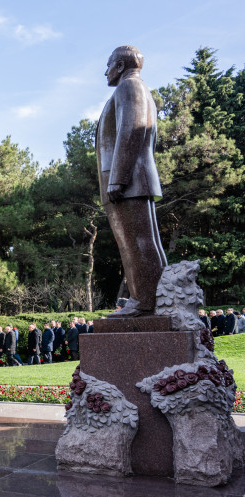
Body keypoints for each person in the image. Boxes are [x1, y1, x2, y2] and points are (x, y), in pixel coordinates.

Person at [98, 46, 167, 318]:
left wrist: (118, 179)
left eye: (108, 65)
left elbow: (132, 130)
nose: (105, 71)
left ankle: (144, 301)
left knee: (136, 243)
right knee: (143, 241)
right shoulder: (136, 89)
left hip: (127, 182)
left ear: (120, 65)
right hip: (134, 179)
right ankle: (153, 298)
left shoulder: (129, 87)